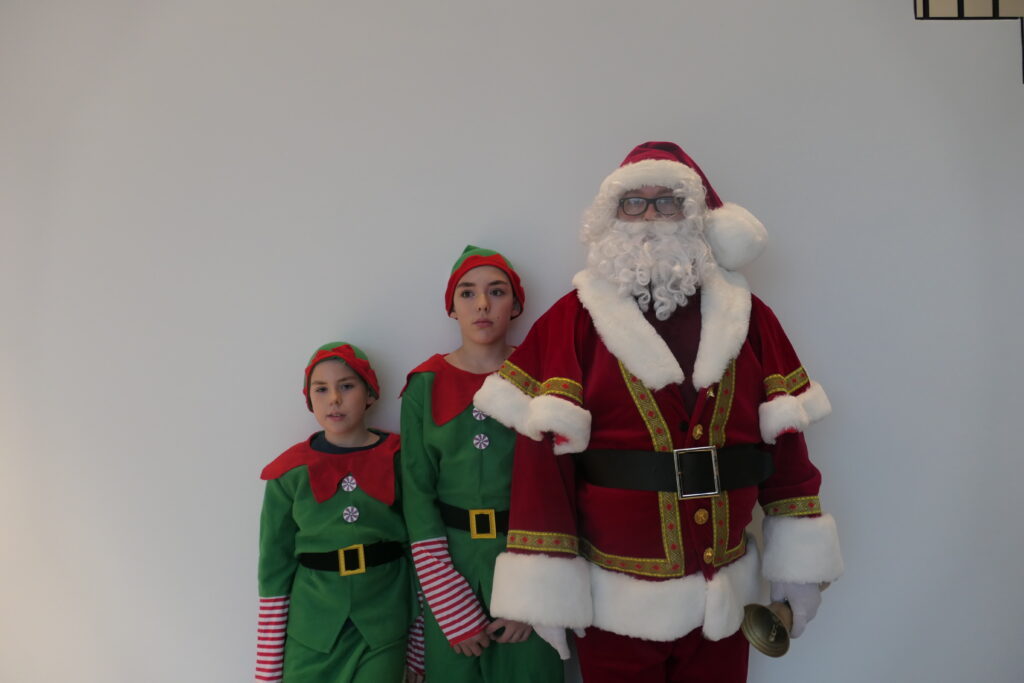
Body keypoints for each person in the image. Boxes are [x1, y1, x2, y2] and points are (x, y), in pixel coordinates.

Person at [474, 142, 844, 682]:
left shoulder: (747, 317)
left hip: (726, 603)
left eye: (667, 202)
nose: (650, 216)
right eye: (634, 203)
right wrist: (545, 582)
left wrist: (799, 566)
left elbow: (787, 445)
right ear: (612, 217)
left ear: (695, 216)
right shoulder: (573, 320)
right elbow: (541, 463)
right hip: (616, 604)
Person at [400, 246, 564, 683]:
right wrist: (448, 602)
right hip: (449, 570)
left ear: (516, 305)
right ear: (452, 307)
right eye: (468, 293)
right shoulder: (424, 385)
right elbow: (416, 496)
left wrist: (533, 595)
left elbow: (558, 487)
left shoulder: (541, 379)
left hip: (525, 557)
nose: (483, 305)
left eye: (497, 291)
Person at [255, 342, 422, 683]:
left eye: (346, 386)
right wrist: (267, 672)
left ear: (370, 393)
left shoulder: (402, 459)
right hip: (312, 631)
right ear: (309, 398)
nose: (334, 399)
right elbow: (274, 570)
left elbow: (420, 550)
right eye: (321, 389)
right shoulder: (288, 472)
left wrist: (419, 650)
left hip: (383, 626)